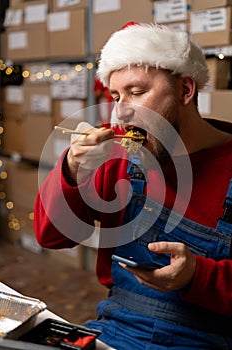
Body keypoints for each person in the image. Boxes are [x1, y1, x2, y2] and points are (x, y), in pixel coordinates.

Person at [34, 22, 232, 349]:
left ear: (185, 90)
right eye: (115, 96)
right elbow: (51, 235)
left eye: (137, 92)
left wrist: (197, 276)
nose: (121, 111)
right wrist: (72, 169)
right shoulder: (121, 156)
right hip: (114, 331)